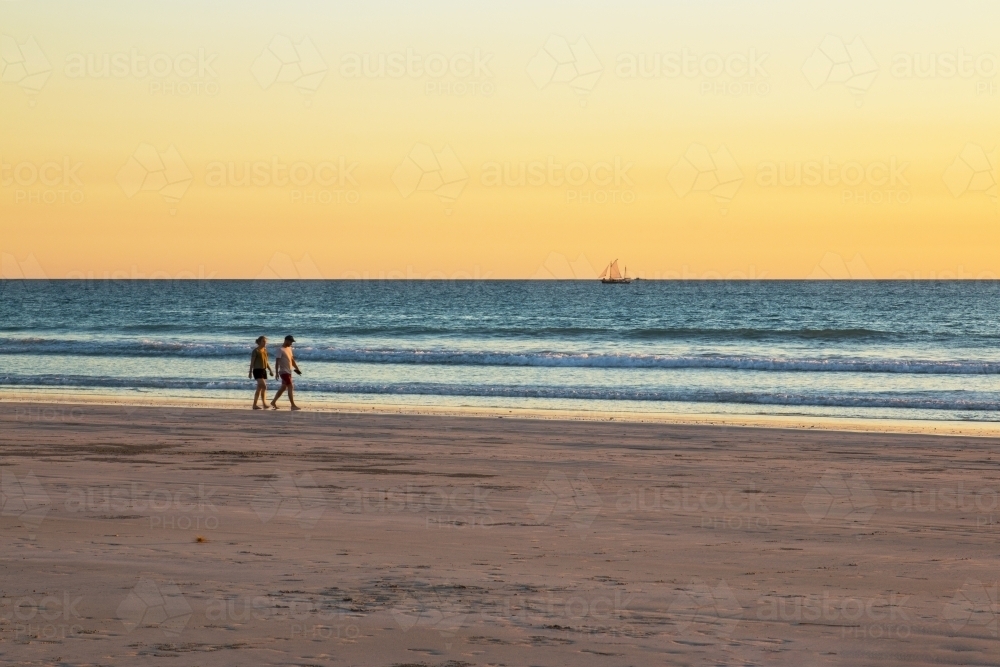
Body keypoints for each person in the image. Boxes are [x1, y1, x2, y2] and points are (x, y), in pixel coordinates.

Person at [270, 335, 302, 410]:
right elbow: (277, 362)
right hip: (283, 372)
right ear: (286, 340)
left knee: (283, 387)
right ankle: (293, 405)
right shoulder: (280, 349)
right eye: (290, 342)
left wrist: (297, 368)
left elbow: (292, 360)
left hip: (289, 371)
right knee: (290, 386)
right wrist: (277, 373)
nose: (291, 343)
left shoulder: (289, 349)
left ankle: (273, 402)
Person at [249, 336, 273, 409]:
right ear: (259, 342)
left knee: (259, 388)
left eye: (265, 341)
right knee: (264, 386)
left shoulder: (265, 350)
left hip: (263, 370)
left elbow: (266, 362)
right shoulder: (256, 351)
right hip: (257, 370)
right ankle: (264, 404)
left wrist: (270, 370)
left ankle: (254, 405)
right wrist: (250, 372)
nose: (265, 342)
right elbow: (252, 362)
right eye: (263, 341)